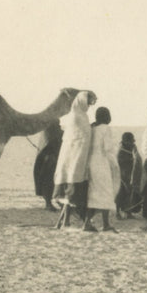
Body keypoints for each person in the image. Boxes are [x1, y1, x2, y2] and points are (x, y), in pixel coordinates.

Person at [51, 90, 96, 227]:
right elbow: (81, 139)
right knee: (73, 193)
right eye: (88, 101)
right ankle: (66, 221)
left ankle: (64, 221)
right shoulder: (78, 117)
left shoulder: (77, 115)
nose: (89, 105)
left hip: (70, 160)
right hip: (76, 159)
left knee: (70, 193)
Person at [83, 106, 121, 232]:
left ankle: (88, 222)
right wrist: (115, 164)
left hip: (91, 163)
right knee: (106, 192)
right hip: (101, 163)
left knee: (93, 193)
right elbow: (108, 148)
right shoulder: (106, 129)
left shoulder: (92, 128)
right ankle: (105, 224)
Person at [33, 122, 62, 211]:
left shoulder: (48, 126)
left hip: (49, 156)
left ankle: (52, 202)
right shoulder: (50, 127)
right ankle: (48, 203)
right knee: (48, 180)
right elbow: (51, 141)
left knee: (51, 180)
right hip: (49, 158)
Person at [116, 132, 142, 219]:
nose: (133, 142)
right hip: (122, 175)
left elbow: (137, 159)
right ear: (125, 141)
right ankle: (117, 213)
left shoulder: (132, 148)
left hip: (130, 174)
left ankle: (128, 212)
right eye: (131, 141)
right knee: (120, 193)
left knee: (129, 193)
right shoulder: (121, 151)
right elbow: (119, 163)